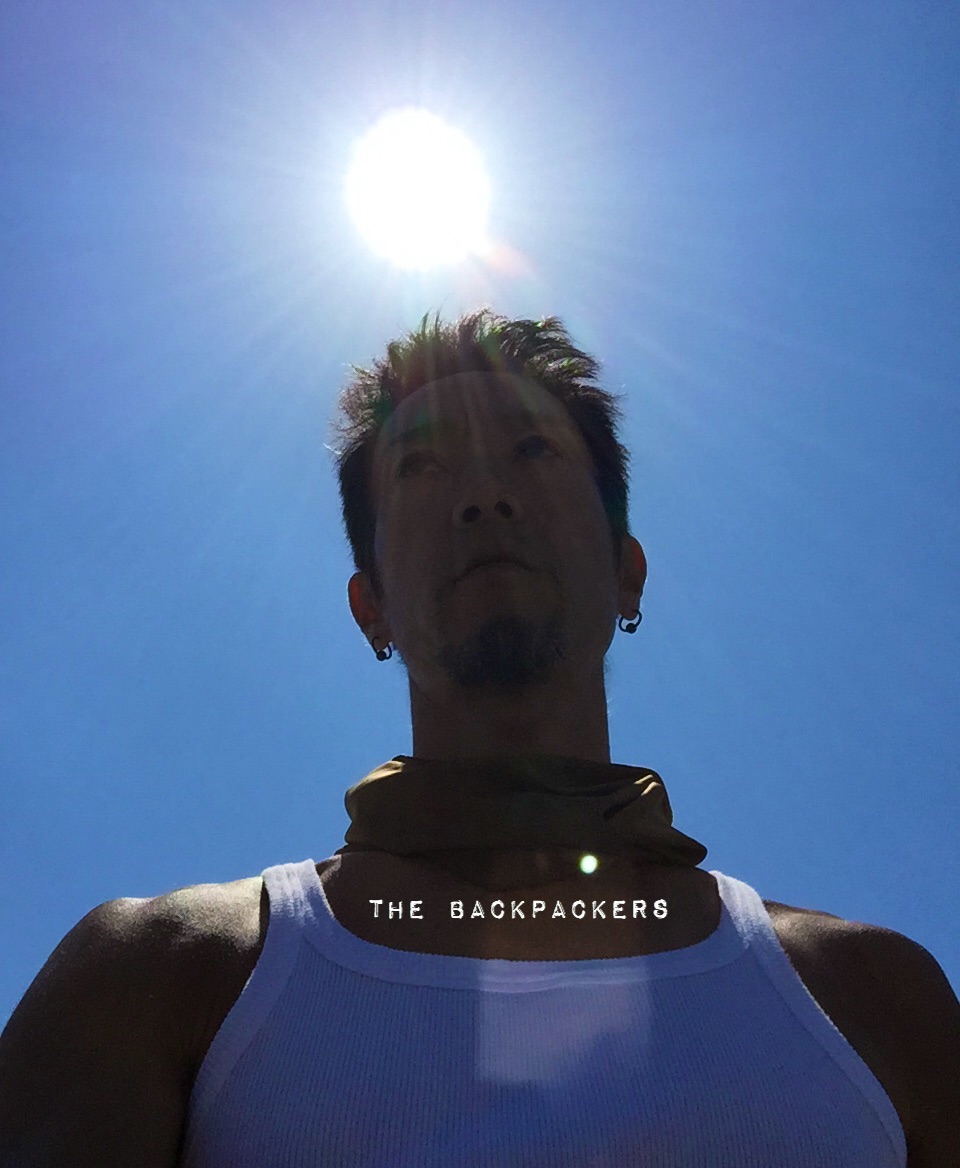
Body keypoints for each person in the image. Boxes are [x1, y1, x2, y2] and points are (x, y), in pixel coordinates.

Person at [0, 308, 957, 1166]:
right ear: (370, 607)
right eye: (420, 467)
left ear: (627, 574)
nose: (482, 496)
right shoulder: (163, 974)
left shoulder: (876, 998)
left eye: (532, 451)